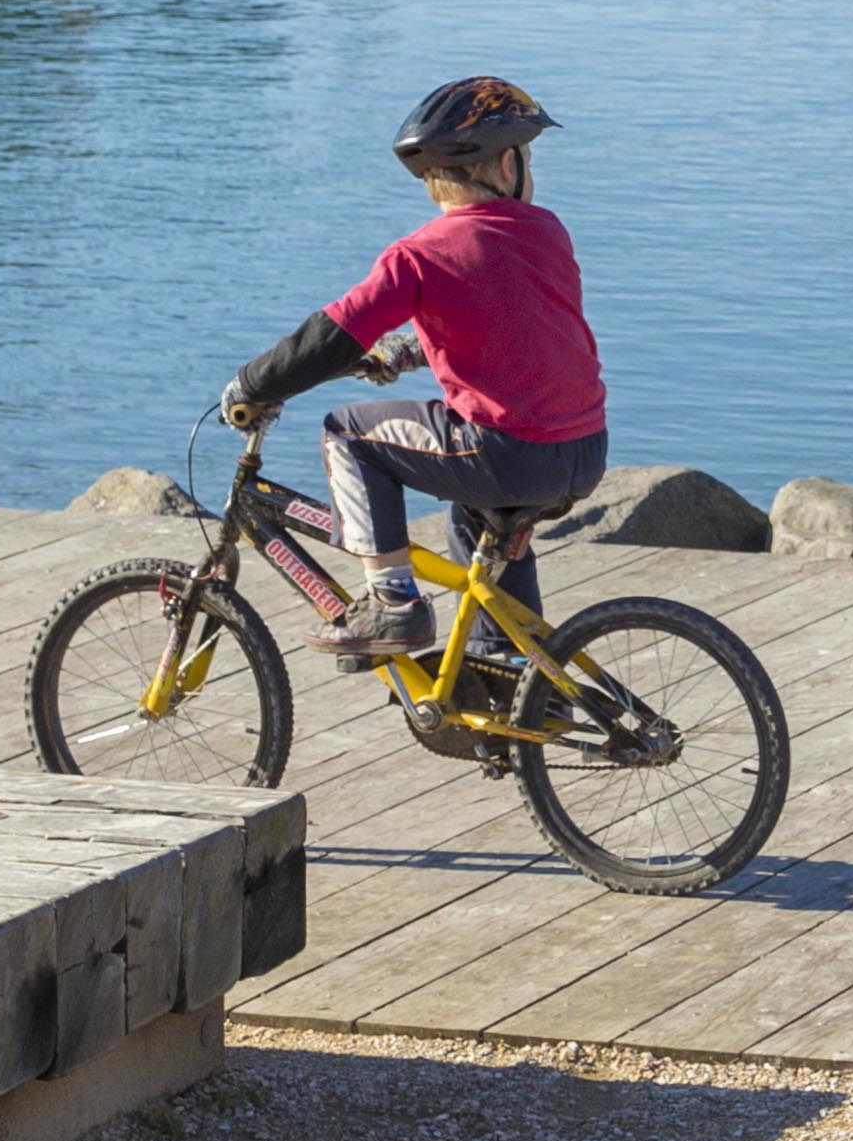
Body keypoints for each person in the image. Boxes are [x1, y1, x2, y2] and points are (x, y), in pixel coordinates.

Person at [223, 76, 611, 685]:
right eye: (530, 160)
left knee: (347, 431)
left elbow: (337, 331)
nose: (532, 173)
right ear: (506, 164)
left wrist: (254, 383)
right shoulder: (546, 233)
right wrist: (406, 351)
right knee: (472, 521)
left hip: (508, 450)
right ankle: (514, 680)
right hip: (581, 449)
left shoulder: (422, 253)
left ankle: (393, 603)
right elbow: (513, 337)